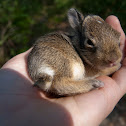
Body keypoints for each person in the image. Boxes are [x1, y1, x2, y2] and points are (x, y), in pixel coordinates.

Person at [0, 15, 126, 126]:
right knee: (67, 72)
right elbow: (91, 72)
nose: (114, 57)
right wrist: (89, 83)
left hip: (43, 71)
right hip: (48, 59)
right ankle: (62, 83)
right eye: (90, 43)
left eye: (118, 43)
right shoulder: (62, 46)